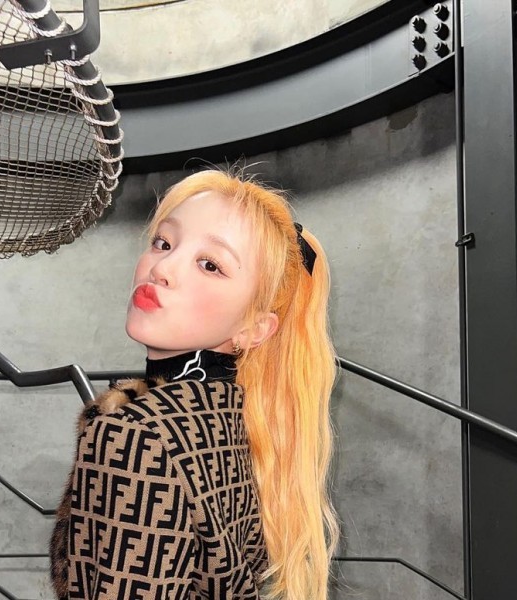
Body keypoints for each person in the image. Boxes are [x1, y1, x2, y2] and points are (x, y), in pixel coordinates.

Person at [49, 169, 339, 600]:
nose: (162, 268)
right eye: (163, 243)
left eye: (210, 265)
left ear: (255, 329)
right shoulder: (237, 416)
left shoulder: (135, 434)